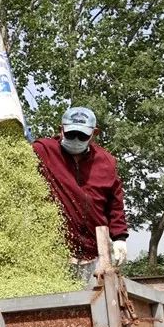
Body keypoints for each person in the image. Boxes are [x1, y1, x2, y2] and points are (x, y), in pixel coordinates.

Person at [33, 107, 129, 281]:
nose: (76, 140)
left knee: (97, 303)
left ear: (94, 133)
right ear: (61, 129)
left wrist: (120, 237)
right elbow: (11, 148)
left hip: (96, 255)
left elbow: (115, 205)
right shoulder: (44, 150)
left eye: (83, 136)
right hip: (55, 255)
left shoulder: (106, 162)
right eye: (71, 134)